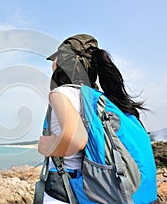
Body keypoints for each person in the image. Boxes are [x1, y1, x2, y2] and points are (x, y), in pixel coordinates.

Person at [37, 34, 147, 203]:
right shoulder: (101, 98)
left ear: (63, 62)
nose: (52, 64)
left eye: (55, 59)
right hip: (100, 192)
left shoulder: (62, 93)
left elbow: (75, 139)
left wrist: (47, 148)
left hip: (68, 192)